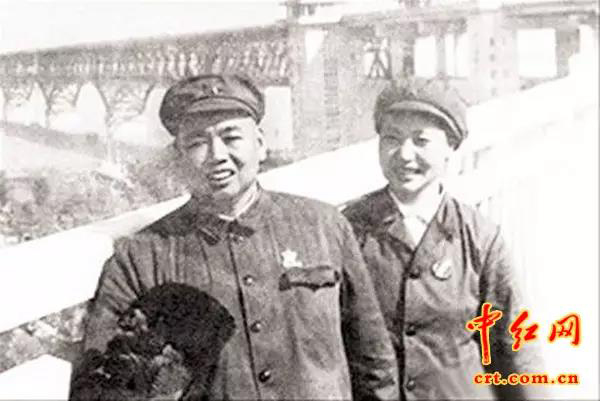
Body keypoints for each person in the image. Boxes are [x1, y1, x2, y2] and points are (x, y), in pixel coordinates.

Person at [69, 73, 398, 400]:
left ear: (261, 144)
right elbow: (101, 389)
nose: (217, 155)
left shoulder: (324, 227)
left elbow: (374, 364)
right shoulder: (140, 259)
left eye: (231, 137)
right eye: (197, 143)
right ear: (178, 158)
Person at [342, 78, 544, 400]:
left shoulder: (480, 238)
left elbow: (515, 349)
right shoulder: (348, 231)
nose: (404, 155)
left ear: (450, 147)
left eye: (421, 141)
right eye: (392, 138)